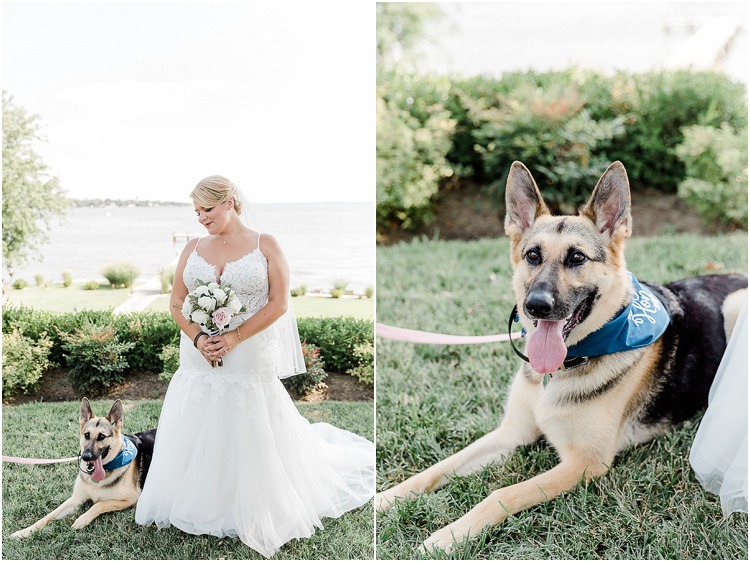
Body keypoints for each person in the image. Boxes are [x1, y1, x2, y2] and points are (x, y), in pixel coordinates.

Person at [135, 175, 374, 557]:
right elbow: (177, 302)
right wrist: (199, 338)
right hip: (197, 354)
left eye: (207, 210)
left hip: (247, 353)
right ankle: (198, 496)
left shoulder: (266, 244)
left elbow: (278, 303)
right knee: (198, 415)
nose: (201, 219)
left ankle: (249, 499)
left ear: (229, 201)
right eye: (196, 212)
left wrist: (233, 337)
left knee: (248, 418)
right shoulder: (193, 248)